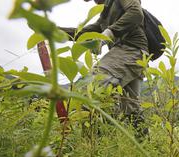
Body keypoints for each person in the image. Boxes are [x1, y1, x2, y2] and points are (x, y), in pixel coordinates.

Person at [60, 0, 149, 137]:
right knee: (131, 107)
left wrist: (110, 32)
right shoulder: (104, 15)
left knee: (94, 85)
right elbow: (83, 33)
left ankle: (91, 145)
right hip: (133, 55)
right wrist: (55, 32)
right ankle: (146, 147)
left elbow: (136, 13)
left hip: (131, 50)